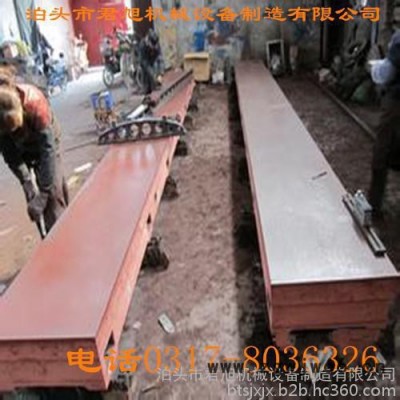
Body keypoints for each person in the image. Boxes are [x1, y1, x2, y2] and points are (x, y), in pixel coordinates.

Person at [0, 72, 68, 237]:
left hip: (45, 143)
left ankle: (63, 236)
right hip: (22, 149)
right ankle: (46, 238)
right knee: (33, 202)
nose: (14, 132)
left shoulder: (35, 102)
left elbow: (47, 150)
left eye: (16, 127)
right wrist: (26, 181)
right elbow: (10, 156)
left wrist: (44, 192)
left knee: (53, 193)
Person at [369, 30, 400, 215]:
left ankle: (374, 204)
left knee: (382, 149)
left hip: (397, 102)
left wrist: (374, 70)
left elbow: (387, 73)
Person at [139, 29, 162, 94]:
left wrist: (160, 73)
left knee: (155, 69)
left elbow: (160, 59)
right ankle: (145, 89)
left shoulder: (156, 44)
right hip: (144, 62)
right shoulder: (142, 45)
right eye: (152, 46)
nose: (153, 47)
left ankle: (154, 85)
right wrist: (153, 75)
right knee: (146, 75)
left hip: (152, 60)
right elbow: (144, 62)